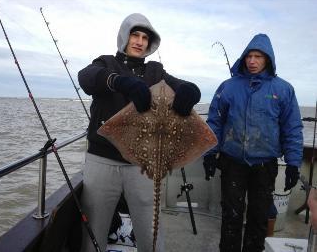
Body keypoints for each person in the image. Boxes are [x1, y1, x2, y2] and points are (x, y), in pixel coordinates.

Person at [78, 13, 201, 252]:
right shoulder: (105, 64)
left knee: (151, 230)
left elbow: (182, 86)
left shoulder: (156, 72)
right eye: (135, 34)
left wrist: (190, 91)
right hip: (102, 159)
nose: (139, 41)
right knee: (94, 228)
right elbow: (87, 77)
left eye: (145, 37)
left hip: (143, 165)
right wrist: (119, 82)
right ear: (125, 36)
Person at [203, 33, 303, 252]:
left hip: (264, 166)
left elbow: (292, 128)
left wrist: (294, 164)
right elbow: (214, 123)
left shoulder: (283, 89)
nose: (252, 61)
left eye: (258, 56)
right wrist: (210, 154)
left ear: (268, 59)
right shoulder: (228, 87)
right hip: (232, 163)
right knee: (231, 215)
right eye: (249, 56)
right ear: (244, 58)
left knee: (259, 218)